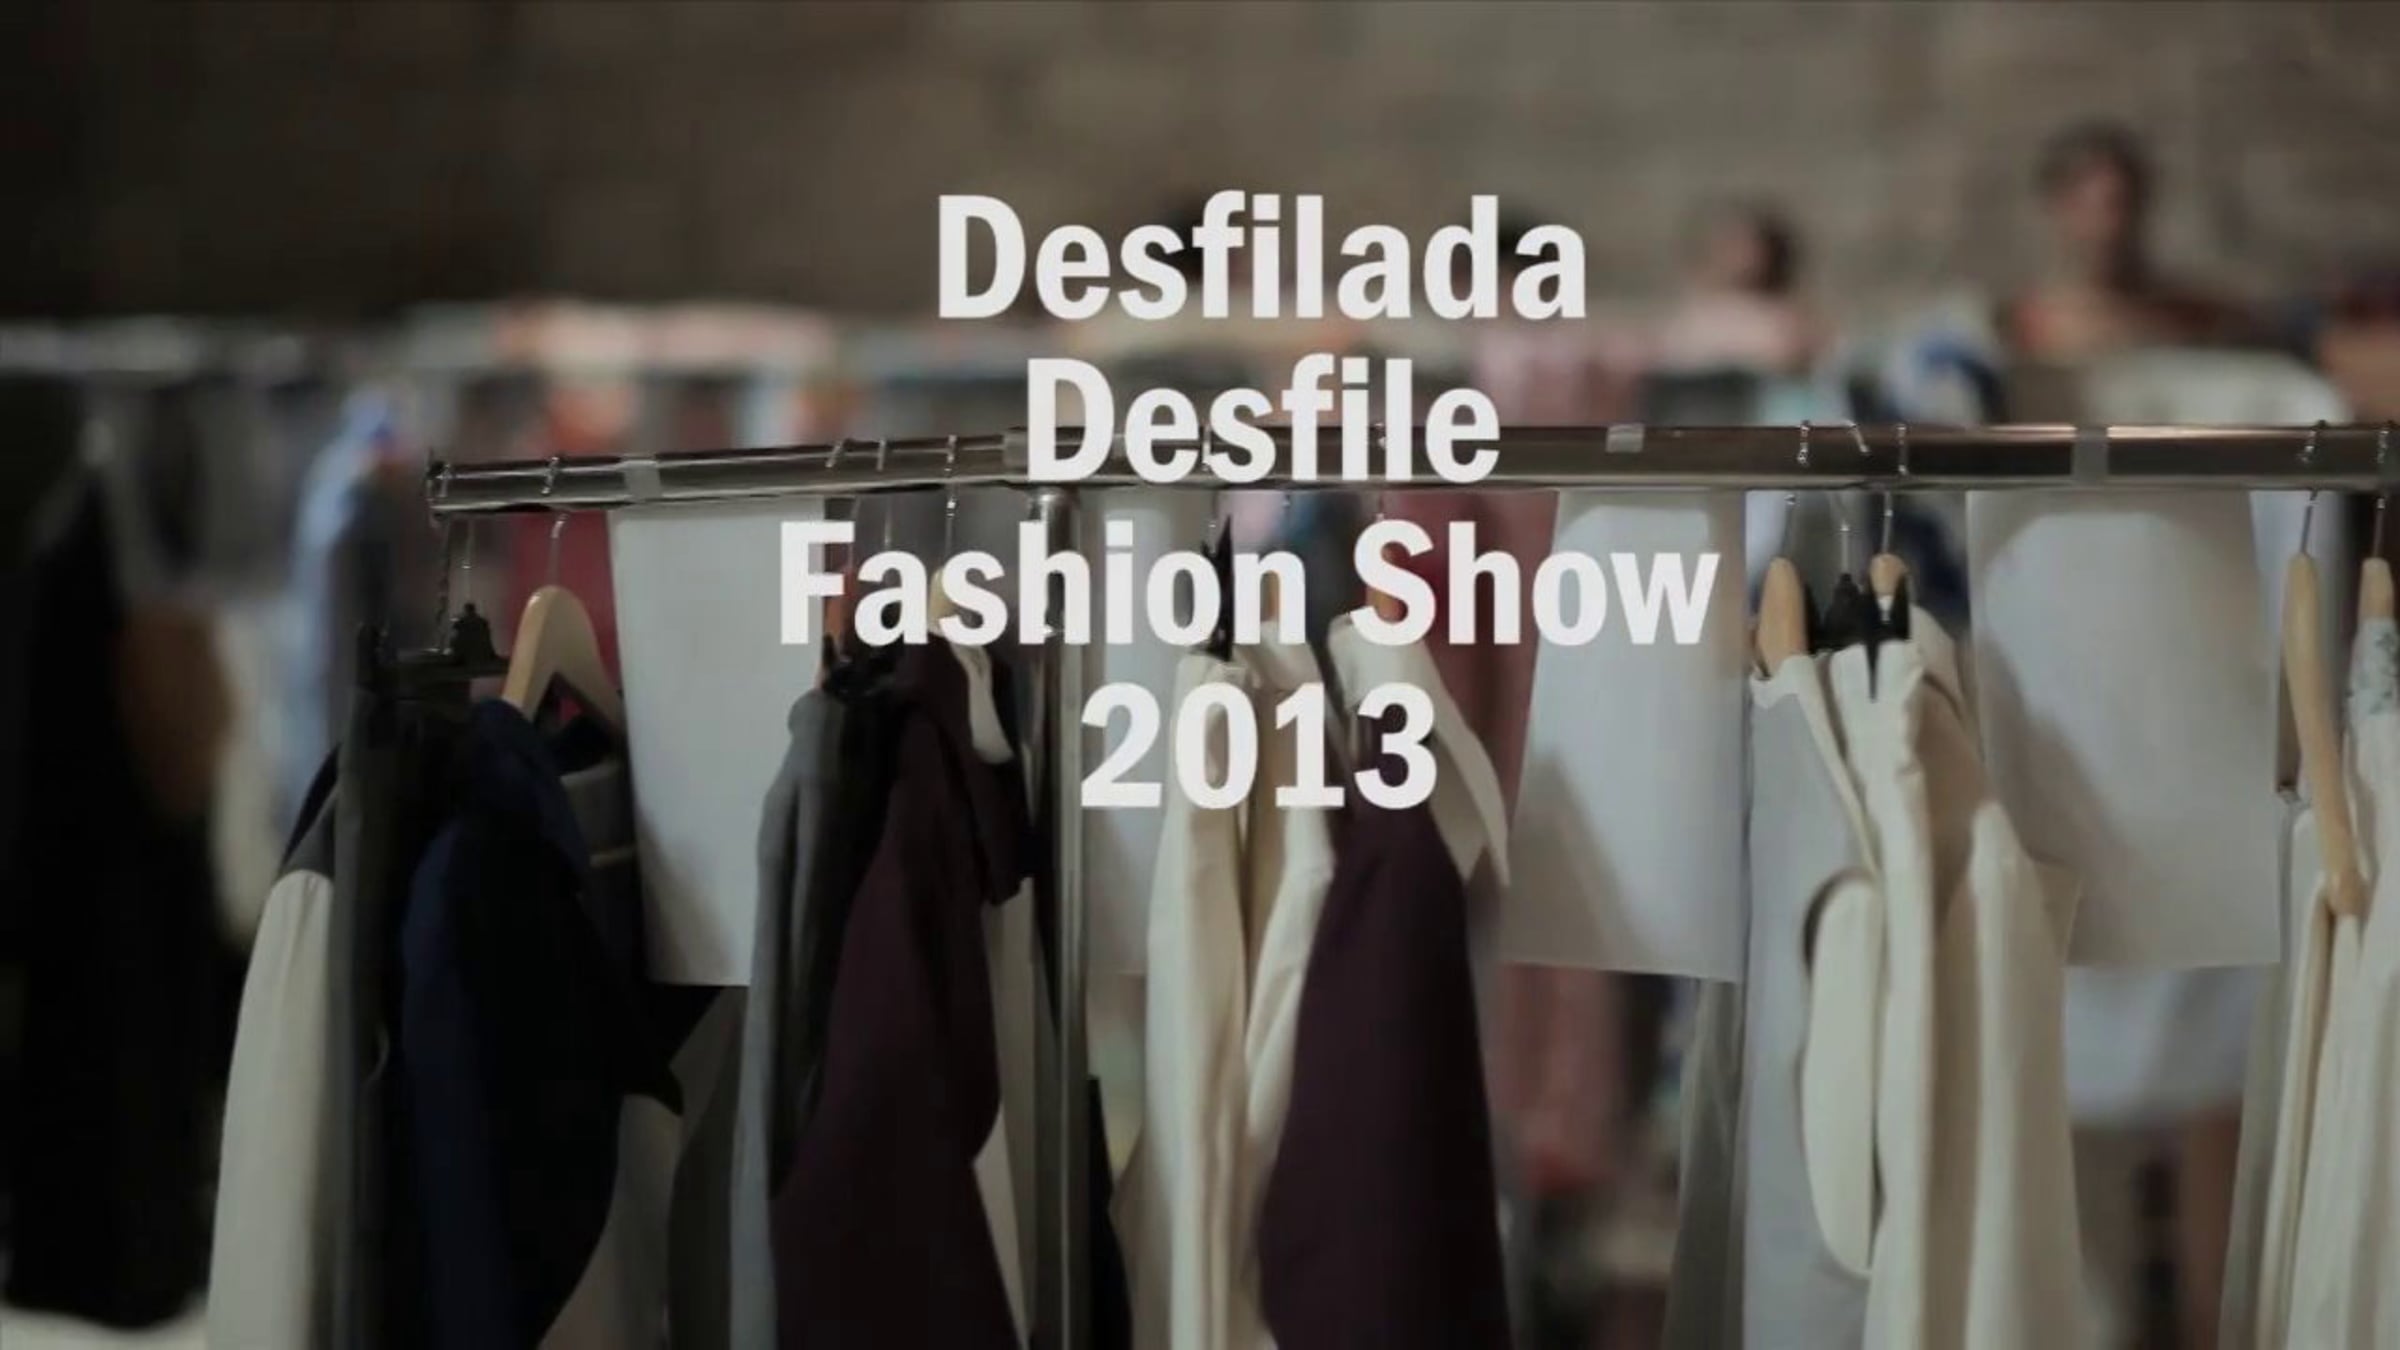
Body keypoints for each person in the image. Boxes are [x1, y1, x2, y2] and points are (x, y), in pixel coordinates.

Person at [2006, 121, 2252, 361]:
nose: (2112, 226)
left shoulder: (2193, 319)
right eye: (2095, 206)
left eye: (2124, 205)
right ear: (2059, 207)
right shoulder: (2022, 329)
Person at [1651, 200, 1827, 375]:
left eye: (1743, 246)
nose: (1734, 255)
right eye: (1727, 244)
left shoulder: (1784, 320)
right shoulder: (1699, 310)